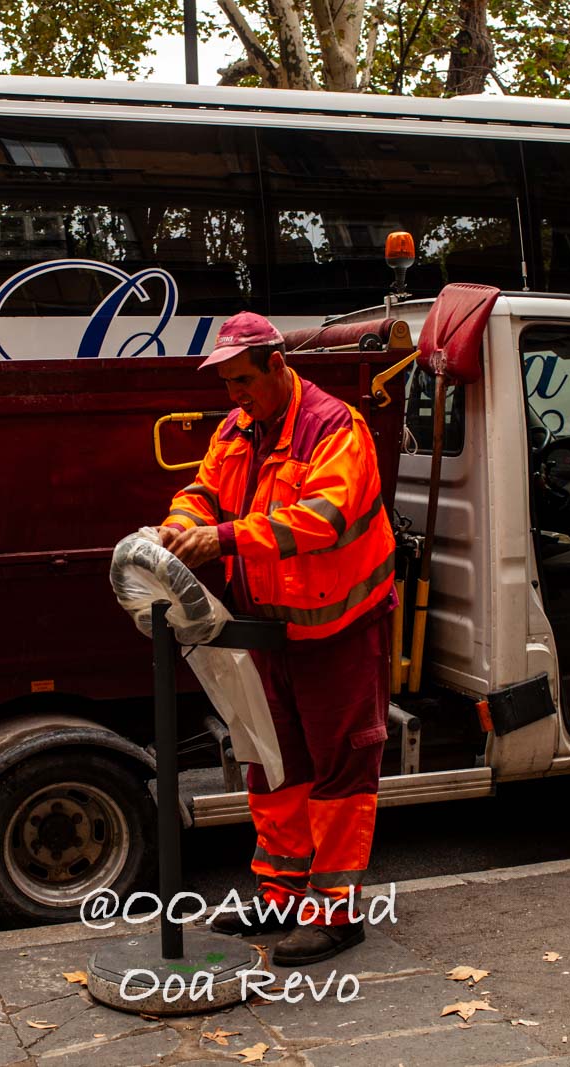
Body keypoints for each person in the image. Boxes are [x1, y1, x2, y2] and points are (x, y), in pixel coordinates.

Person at [158, 310, 396, 966]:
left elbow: (324, 517)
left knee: (341, 767)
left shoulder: (334, 427)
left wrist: (225, 538)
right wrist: (178, 527)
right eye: (225, 383)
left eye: (242, 380)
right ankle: (283, 894)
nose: (233, 395)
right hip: (272, 630)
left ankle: (335, 912)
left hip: (340, 630)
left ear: (277, 366)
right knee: (274, 762)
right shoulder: (239, 429)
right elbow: (202, 493)